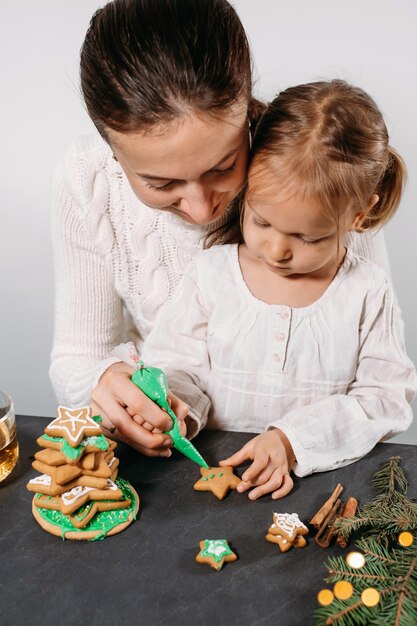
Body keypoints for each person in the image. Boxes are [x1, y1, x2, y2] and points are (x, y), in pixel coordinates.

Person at [50, 0, 394, 458]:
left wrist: (297, 440)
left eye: (223, 166)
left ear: (247, 113)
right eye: (161, 183)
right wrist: (105, 382)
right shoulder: (87, 180)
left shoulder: (318, 169)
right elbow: (76, 357)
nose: (200, 207)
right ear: (112, 152)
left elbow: (378, 379)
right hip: (177, 461)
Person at [140, 79, 416, 500]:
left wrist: (291, 440)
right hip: (208, 478)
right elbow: (175, 364)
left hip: (323, 486)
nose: (276, 250)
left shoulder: (366, 290)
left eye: (308, 238)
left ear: (359, 216)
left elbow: (386, 399)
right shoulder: (211, 273)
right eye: (262, 221)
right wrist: (176, 407)